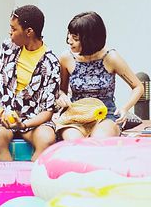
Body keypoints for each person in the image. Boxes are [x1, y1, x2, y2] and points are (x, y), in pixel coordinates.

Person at [0, 5, 60, 161]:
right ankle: (10, 181)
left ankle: (30, 182)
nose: (10, 33)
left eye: (13, 29)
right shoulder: (7, 48)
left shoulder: (51, 63)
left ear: (29, 32)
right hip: (3, 117)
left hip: (33, 120)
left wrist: (23, 125)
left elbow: (48, 111)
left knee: (46, 139)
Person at [55, 11, 144, 139]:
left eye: (75, 38)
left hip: (105, 115)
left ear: (89, 39)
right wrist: (62, 96)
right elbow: (61, 91)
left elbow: (138, 87)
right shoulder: (66, 58)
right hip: (75, 115)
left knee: (99, 140)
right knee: (74, 143)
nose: (69, 41)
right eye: (69, 35)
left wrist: (125, 108)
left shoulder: (110, 57)